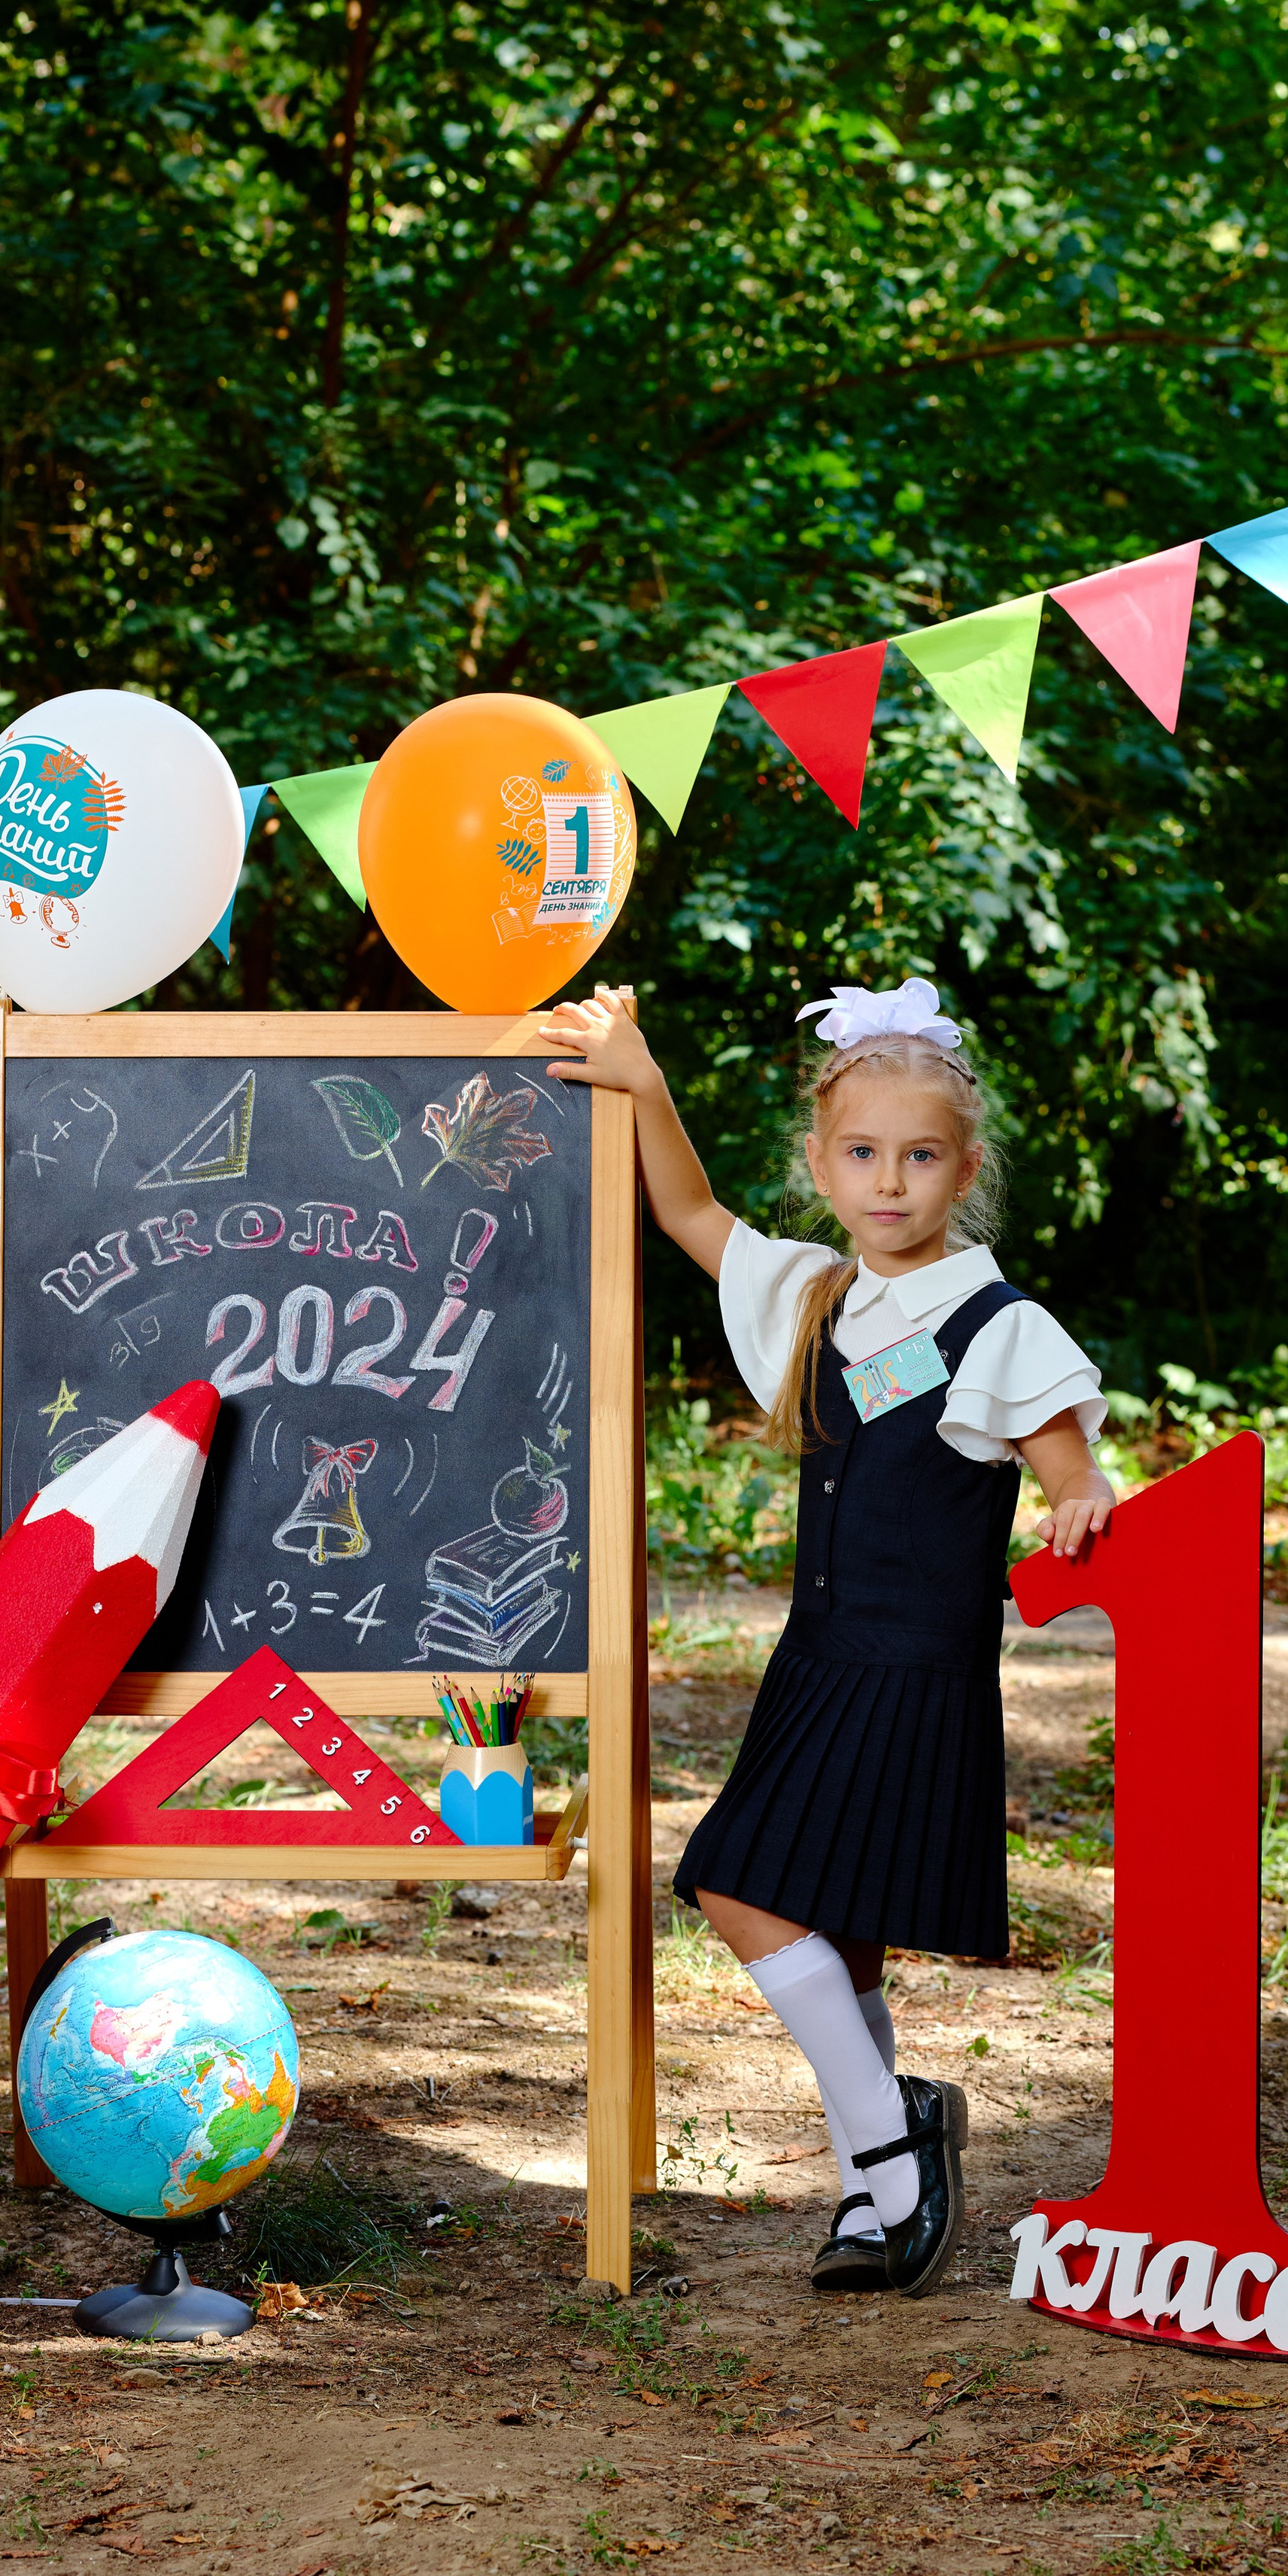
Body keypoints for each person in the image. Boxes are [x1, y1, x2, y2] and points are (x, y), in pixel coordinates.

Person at [540, 973, 1114, 2298]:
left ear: (965, 1171)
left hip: (915, 1668)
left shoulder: (1000, 1326)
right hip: (816, 1660)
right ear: (821, 1163)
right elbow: (688, 1212)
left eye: (920, 1157)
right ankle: (874, 2190)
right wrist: (644, 1081)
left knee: (733, 1881)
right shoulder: (814, 1296)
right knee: (840, 1923)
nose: (888, 1182)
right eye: (861, 1154)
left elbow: (1068, 1466)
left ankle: (892, 2137)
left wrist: (1083, 1494)